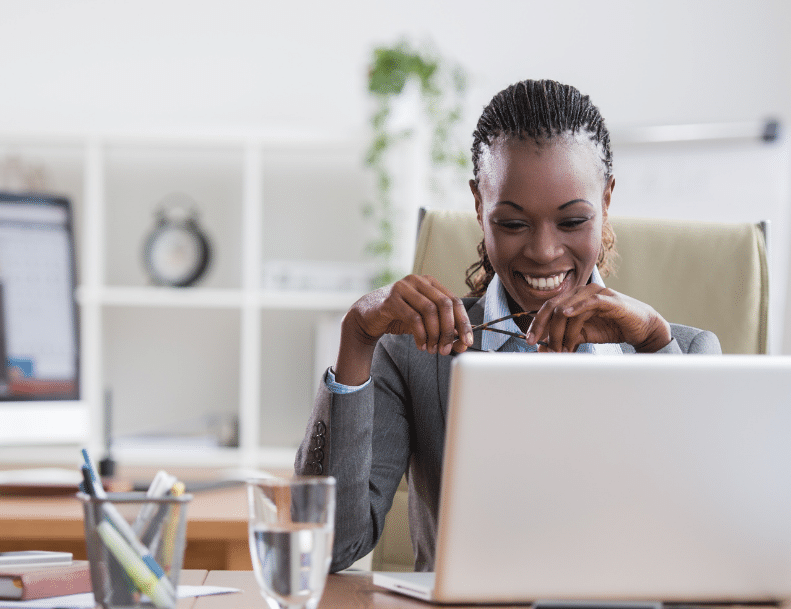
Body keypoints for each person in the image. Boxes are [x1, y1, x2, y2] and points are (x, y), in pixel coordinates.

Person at [294, 79, 722, 573]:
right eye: (514, 223)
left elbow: (705, 544)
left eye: (571, 222)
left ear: (606, 200)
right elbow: (326, 547)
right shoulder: (411, 353)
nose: (543, 251)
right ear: (479, 205)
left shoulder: (682, 352)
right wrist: (357, 336)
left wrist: (654, 343)